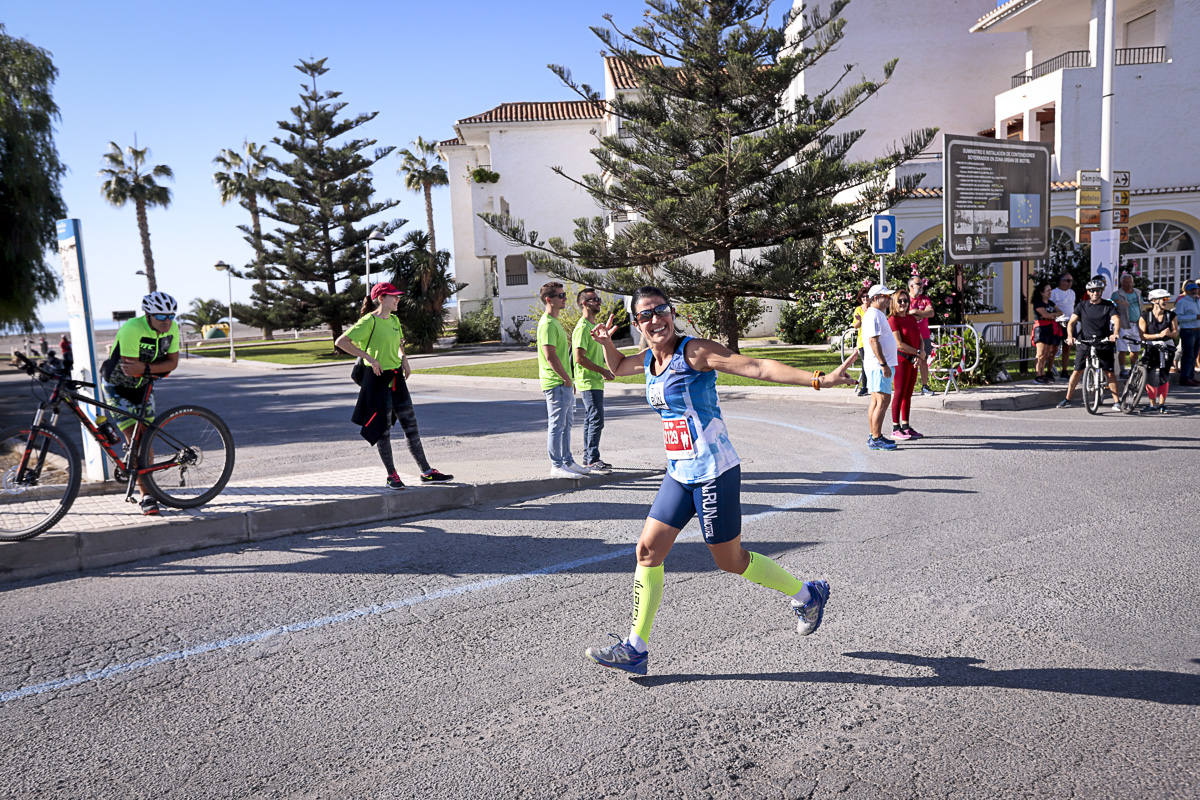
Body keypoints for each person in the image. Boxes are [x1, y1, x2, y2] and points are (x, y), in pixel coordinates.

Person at [581, 286, 857, 675]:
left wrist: (819, 380)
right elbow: (617, 368)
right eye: (646, 315)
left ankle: (807, 594)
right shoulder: (647, 358)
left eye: (661, 310)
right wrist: (608, 344)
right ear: (637, 323)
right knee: (647, 551)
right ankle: (636, 647)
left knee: (730, 561)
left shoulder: (694, 352)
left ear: (671, 312)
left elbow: (756, 367)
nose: (656, 319)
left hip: (715, 473)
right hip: (679, 473)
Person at [336, 282, 453, 489]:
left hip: (397, 379)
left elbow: (399, 344)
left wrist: (405, 360)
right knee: (382, 431)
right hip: (378, 381)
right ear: (381, 298)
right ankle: (392, 475)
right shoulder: (369, 321)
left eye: (398, 296)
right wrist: (370, 359)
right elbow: (342, 342)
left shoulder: (395, 320)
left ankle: (426, 472)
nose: (398, 299)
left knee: (411, 427)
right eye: (394, 296)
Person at [99, 291, 182, 515]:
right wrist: (152, 369)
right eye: (161, 317)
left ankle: (147, 487)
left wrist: (147, 370)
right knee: (135, 439)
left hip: (144, 385)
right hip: (118, 387)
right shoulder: (131, 330)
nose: (167, 322)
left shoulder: (172, 328)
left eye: (171, 316)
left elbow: (172, 363)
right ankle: (146, 495)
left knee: (146, 442)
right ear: (148, 314)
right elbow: (130, 369)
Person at [536, 281, 586, 479]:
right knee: (556, 425)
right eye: (560, 296)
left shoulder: (555, 322)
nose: (565, 299)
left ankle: (567, 461)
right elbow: (550, 356)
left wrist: (569, 380)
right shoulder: (547, 323)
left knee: (566, 425)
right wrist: (566, 378)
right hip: (556, 382)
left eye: (564, 295)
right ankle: (557, 465)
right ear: (549, 300)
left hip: (564, 382)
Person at [1057, 278, 1122, 410]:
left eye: (1098, 290)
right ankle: (1067, 399)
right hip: (1085, 341)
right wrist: (1070, 336)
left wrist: (1114, 333)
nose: (1095, 293)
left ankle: (1117, 402)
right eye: (1092, 290)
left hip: (1103, 341)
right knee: (1077, 371)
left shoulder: (1108, 305)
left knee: (1109, 372)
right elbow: (1071, 322)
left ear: (1101, 291)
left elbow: (1116, 319)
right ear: (1088, 292)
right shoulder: (1082, 305)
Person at [572, 288, 616, 474]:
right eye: (593, 299)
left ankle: (589, 457)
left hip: (595, 381)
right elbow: (579, 358)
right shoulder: (582, 328)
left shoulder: (593, 327)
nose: (598, 301)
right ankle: (591, 459)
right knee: (596, 419)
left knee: (592, 419)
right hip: (588, 381)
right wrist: (603, 370)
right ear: (583, 304)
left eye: (598, 299)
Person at [861, 284, 899, 450]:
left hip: (878, 365)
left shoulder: (877, 314)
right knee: (882, 400)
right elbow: (873, 341)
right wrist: (883, 364)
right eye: (886, 296)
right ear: (876, 298)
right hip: (878, 366)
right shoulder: (874, 315)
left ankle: (874, 434)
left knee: (877, 400)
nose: (888, 299)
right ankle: (876, 437)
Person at [888, 289, 924, 440]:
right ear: (894, 303)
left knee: (908, 394)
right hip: (901, 360)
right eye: (900, 301)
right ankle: (895, 427)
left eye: (905, 301)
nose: (903, 303)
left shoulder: (911, 318)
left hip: (913, 360)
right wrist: (917, 353)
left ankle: (906, 426)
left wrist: (921, 353)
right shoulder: (893, 320)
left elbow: (920, 337)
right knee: (899, 392)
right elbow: (899, 344)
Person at [1139, 289, 1179, 413]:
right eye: (1164, 299)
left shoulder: (1171, 315)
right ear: (1154, 301)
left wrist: (1170, 334)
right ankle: (1152, 404)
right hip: (1151, 347)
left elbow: (1176, 333)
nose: (1166, 302)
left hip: (1167, 348)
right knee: (1149, 374)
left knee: (1164, 375)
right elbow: (1142, 336)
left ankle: (1162, 404)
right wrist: (1159, 335)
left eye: (1167, 299)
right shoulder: (1145, 316)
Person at [908, 276, 935, 395]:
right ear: (911, 286)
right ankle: (908, 387)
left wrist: (916, 312)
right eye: (919, 284)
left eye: (922, 283)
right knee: (909, 361)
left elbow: (931, 313)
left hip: (924, 335)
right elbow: (904, 314)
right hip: (909, 336)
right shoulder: (905, 299)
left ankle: (925, 386)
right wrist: (921, 314)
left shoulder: (925, 299)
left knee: (923, 360)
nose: (922, 286)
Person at [1112, 272, 1143, 377]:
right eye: (1126, 282)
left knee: (1136, 348)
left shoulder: (1137, 292)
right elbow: (1112, 305)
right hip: (1124, 323)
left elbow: (1141, 305)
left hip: (1137, 324)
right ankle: (1122, 369)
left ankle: (1133, 368)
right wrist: (1119, 303)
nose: (1128, 284)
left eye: (1130, 282)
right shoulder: (1117, 294)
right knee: (1122, 348)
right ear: (1122, 283)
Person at [1031, 281, 1062, 383]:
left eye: (1050, 290)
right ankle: (1038, 374)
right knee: (1040, 353)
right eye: (1048, 290)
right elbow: (1045, 315)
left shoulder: (1050, 303)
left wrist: (1053, 314)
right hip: (1041, 328)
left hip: (1050, 328)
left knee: (1047, 353)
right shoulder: (1038, 303)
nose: (1050, 292)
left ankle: (1043, 373)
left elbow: (1060, 312)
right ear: (1042, 292)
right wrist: (1053, 315)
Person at [1049, 273, 1077, 380]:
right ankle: (1049, 370)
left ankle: (1064, 370)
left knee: (1067, 347)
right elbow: (1051, 305)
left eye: (1071, 281)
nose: (1070, 283)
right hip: (1057, 322)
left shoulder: (1072, 293)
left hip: (1069, 322)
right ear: (1061, 281)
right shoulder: (1054, 292)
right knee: (1054, 348)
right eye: (1068, 280)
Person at [1175, 280, 1200, 386]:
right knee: (1188, 355)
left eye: (1196, 289)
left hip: (1198, 329)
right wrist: (1195, 317)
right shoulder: (1183, 302)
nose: (1194, 291)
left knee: (1194, 355)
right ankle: (1184, 378)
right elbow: (1179, 318)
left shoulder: (1198, 300)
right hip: (1188, 331)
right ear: (1187, 291)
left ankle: (1190, 376)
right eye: (1192, 289)